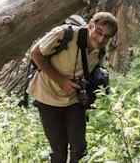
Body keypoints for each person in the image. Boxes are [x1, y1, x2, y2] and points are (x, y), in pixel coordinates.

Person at [26, 11, 118, 163]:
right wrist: (61, 80)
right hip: (47, 97)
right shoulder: (64, 34)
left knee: (79, 148)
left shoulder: (100, 50)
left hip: (73, 100)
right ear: (90, 26)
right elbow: (35, 53)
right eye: (99, 32)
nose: (101, 39)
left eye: (107, 36)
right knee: (59, 151)